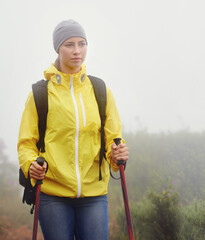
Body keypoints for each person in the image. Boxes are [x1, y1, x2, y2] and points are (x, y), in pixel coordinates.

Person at [17, 19, 129, 240]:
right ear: (58, 48)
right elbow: (26, 143)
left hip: (94, 194)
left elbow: (113, 140)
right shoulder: (40, 94)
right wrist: (31, 165)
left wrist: (118, 155)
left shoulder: (100, 90)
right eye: (69, 44)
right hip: (52, 194)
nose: (77, 51)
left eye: (82, 43)